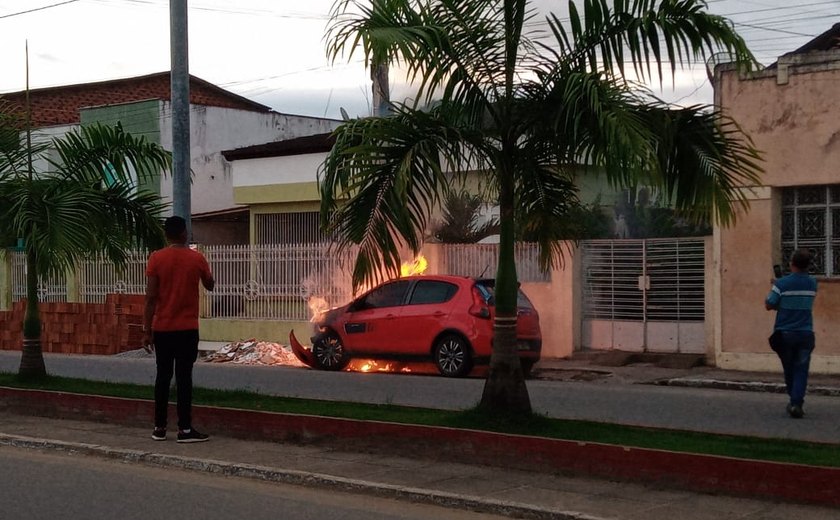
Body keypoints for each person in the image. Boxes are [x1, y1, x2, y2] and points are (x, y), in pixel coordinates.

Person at [143, 216, 215, 442]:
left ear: (166, 235)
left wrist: (147, 330)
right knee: (184, 378)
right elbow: (210, 285)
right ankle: (185, 429)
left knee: (162, 377)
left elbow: (151, 298)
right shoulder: (197, 258)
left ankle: (159, 428)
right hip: (187, 329)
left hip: (162, 328)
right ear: (184, 233)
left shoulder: (156, 258)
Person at [765, 249, 817, 419]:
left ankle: (793, 400)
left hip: (785, 333)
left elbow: (769, 303)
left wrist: (777, 290)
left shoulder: (781, 284)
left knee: (789, 369)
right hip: (806, 333)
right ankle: (797, 402)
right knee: (801, 369)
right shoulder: (812, 283)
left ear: (792, 264)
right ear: (807, 265)